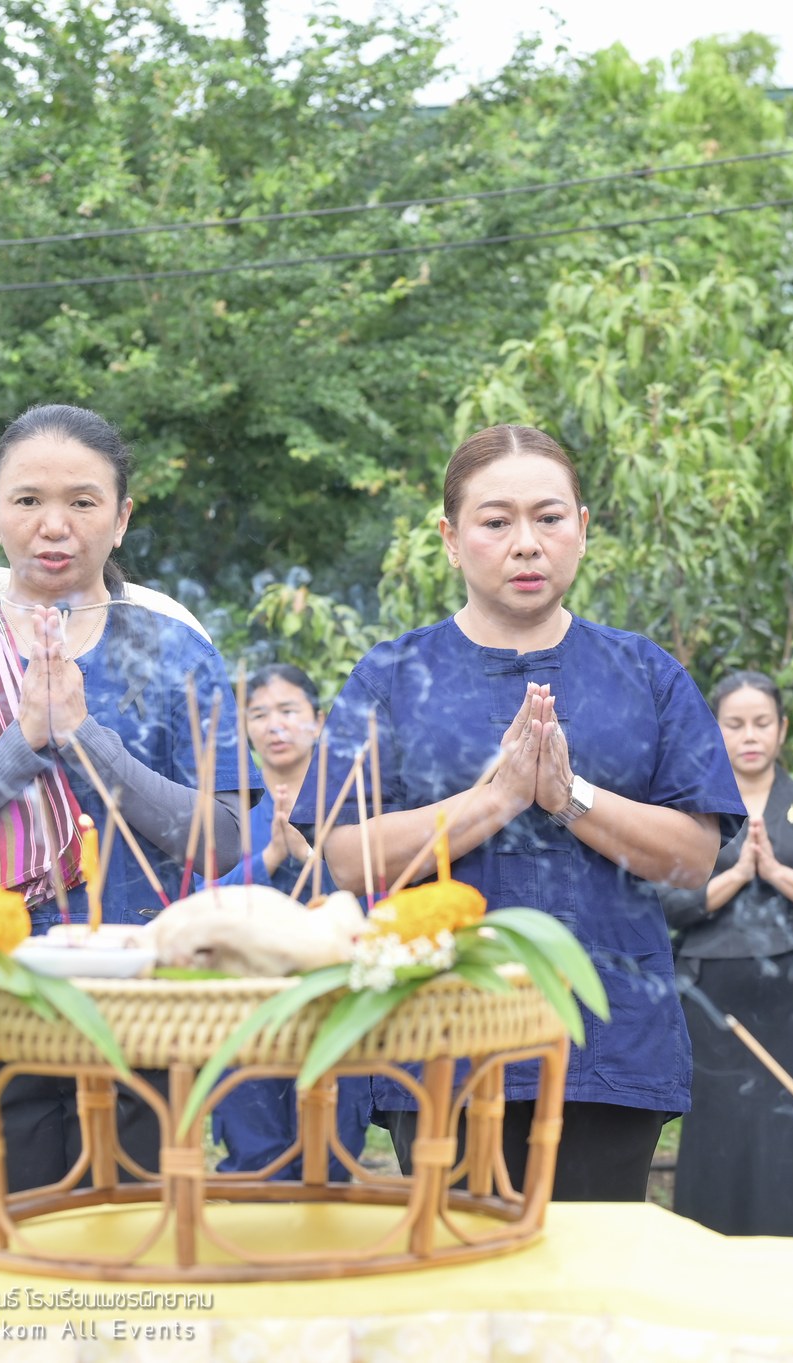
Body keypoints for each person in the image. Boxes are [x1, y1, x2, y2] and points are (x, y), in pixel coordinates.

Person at [300, 424, 742, 1202]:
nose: (526, 543)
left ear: (582, 527)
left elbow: (695, 856)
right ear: (451, 537)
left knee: (593, 1281)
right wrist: (495, 799)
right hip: (437, 1032)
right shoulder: (393, 677)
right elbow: (345, 856)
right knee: (466, 1282)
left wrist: (571, 797)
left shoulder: (646, 674)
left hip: (607, 1034)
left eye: (549, 517)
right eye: (496, 521)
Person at [0, 403, 254, 1194]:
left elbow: (227, 839)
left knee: (135, 1259)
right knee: (7, 1269)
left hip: (145, 1014)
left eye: (83, 501)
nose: (54, 525)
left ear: (123, 517)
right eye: (28, 500)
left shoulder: (175, 656)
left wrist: (85, 738)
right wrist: (20, 743)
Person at [661, 671, 793, 1237]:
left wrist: (774, 872)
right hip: (712, 991)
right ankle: (714, 1251)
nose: (750, 736)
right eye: (735, 724)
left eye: (762, 723)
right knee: (719, 1125)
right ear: (715, 731)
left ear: (782, 729)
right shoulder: (692, 806)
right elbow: (668, 904)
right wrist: (739, 874)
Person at [207, 663, 375, 1180]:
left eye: (288, 711)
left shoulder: (349, 804)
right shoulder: (233, 813)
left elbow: (373, 901)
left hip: (333, 1006)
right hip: (246, 1009)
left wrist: (311, 858)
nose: (273, 726)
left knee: (331, 1153)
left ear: (319, 721)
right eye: (258, 714)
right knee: (256, 1161)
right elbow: (201, 909)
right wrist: (270, 857)